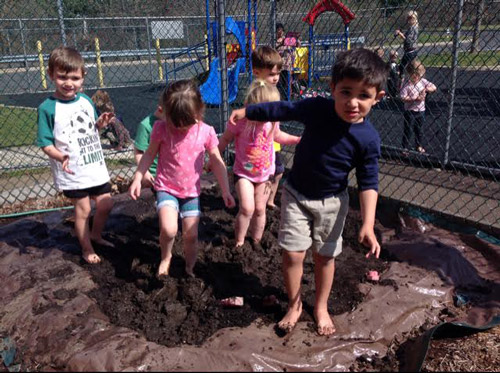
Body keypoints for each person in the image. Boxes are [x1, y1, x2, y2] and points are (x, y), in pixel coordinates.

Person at [229, 48, 387, 336]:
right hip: (296, 195)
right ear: (332, 89)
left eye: (363, 95)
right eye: (345, 92)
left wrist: (367, 224)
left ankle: (321, 307)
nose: (352, 102)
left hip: (332, 203)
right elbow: (283, 109)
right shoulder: (317, 109)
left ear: (378, 97)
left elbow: (368, 181)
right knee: (292, 253)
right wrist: (248, 111)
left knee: (325, 257)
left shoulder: (368, 139)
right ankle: (294, 304)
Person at [129, 79, 235, 278]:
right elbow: (149, 155)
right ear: (166, 113)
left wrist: (226, 190)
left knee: (191, 235)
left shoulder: (206, 132)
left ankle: (189, 268)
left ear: (198, 112)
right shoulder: (161, 129)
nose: (180, 128)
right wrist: (137, 177)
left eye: (186, 124)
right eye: (175, 123)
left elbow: (217, 162)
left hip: (191, 192)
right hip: (166, 187)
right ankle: (166, 257)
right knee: (169, 230)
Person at [37, 46, 115, 264]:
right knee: (83, 209)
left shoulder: (86, 101)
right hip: (72, 170)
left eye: (74, 77)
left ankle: (95, 235)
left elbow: (92, 128)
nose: (68, 83)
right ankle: (86, 248)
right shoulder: (48, 108)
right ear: (51, 74)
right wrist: (59, 156)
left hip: (94, 166)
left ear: (82, 78)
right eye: (62, 77)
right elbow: (44, 142)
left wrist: (100, 123)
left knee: (106, 204)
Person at [218, 80, 300, 248]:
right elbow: (226, 138)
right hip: (243, 174)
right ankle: (240, 241)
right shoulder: (241, 123)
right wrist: (214, 155)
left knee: (260, 209)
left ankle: (256, 241)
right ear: (252, 108)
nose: (269, 115)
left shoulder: (271, 123)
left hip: (264, 176)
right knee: (247, 208)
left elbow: (279, 136)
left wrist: (297, 139)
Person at [251, 45, 287, 209]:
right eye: (272, 74)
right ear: (257, 72)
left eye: (278, 73)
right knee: (261, 174)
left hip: (274, 142)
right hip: (261, 144)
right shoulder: (257, 93)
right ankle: (260, 200)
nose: (276, 77)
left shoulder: (273, 91)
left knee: (278, 172)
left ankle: (270, 200)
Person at [400, 59, 437, 154]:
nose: (417, 77)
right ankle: (405, 147)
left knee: (419, 130)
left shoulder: (422, 81)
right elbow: (403, 97)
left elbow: (434, 87)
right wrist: (415, 98)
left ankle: (418, 145)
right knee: (408, 130)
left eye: (419, 75)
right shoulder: (406, 83)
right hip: (409, 110)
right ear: (409, 74)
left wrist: (426, 89)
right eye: (414, 75)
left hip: (421, 111)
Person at [134, 96, 164, 188]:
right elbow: (138, 152)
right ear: (160, 109)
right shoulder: (145, 125)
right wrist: (145, 172)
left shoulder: (171, 124)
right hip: (153, 173)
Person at [275, 22, 300, 99]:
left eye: (281, 30)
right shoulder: (275, 40)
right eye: (278, 30)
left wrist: (296, 38)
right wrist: (281, 44)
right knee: (279, 83)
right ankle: (279, 97)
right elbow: (274, 48)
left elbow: (297, 45)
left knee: (288, 82)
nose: (280, 32)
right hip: (279, 64)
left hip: (287, 64)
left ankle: (288, 97)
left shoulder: (287, 39)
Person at [395, 10, 419, 78]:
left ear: (414, 19)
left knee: (402, 67)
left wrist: (400, 34)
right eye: (408, 18)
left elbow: (408, 40)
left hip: (411, 51)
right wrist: (401, 33)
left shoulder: (413, 28)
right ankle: (406, 79)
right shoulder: (411, 28)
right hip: (409, 50)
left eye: (410, 18)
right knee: (409, 67)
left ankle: (402, 80)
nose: (408, 19)